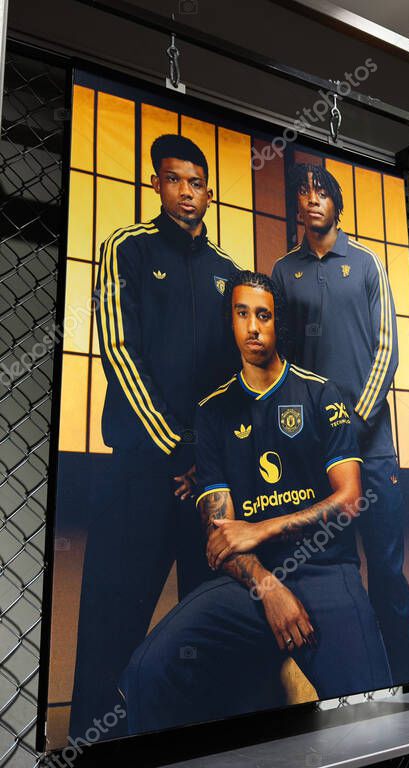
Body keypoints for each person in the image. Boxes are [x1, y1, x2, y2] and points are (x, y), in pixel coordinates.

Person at [119, 271, 392, 734]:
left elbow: (349, 499)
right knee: (148, 671)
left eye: (263, 315)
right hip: (249, 583)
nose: (252, 327)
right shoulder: (212, 413)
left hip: (325, 571)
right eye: (241, 314)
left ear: (276, 322)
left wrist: (262, 527)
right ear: (231, 321)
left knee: (372, 710)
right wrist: (268, 587)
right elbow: (220, 537)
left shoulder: (321, 393)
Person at [70, 134, 240, 739]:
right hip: (140, 474)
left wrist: (207, 456)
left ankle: (203, 742)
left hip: (207, 485)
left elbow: (233, 378)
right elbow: (119, 348)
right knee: (111, 623)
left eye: (196, 183)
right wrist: (174, 445)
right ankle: (93, 743)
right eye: (174, 180)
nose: (186, 192)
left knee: (210, 620)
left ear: (209, 192)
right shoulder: (127, 249)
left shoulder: (227, 272)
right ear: (156, 184)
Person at [270, 164, 409, 681]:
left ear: (336, 202)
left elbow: (388, 349)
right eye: (303, 192)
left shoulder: (367, 263)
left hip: (370, 448)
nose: (311, 199)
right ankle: (352, 681)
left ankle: (405, 680)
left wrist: (352, 425)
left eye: (321, 192)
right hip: (315, 457)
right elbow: (281, 360)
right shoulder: (283, 272)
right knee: (329, 573)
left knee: (387, 571)